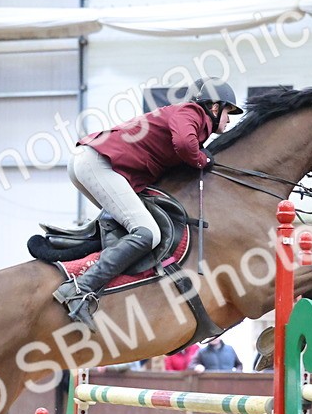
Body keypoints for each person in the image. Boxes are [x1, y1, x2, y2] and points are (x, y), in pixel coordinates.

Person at [53, 78, 243, 330]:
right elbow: (186, 145)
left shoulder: (184, 118)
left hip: (91, 162)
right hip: (97, 163)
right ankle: (80, 289)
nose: (229, 120)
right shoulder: (192, 112)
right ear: (215, 107)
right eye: (228, 112)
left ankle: (102, 285)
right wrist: (204, 160)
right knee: (147, 233)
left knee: (128, 228)